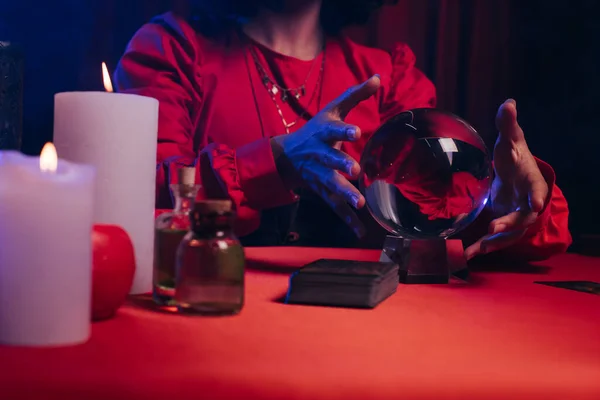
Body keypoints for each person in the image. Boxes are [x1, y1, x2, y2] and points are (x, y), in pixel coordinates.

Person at [114, 0, 572, 260]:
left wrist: (507, 205)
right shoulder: (171, 49)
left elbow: (444, 222)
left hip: (369, 334)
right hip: (214, 317)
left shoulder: (389, 74)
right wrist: (276, 161)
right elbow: (139, 200)